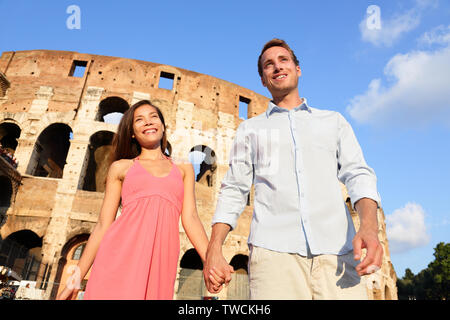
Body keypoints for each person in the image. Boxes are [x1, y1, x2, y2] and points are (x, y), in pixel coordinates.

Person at [203, 39, 383, 299]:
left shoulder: (333, 121)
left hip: (337, 254)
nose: (277, 67)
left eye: (283, 60)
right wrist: (214, 247)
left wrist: (369, 226)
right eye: (268, 65)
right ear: (263, 80)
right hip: (274, 256)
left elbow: (358, 174)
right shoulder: (250, 129)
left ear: (298, 69)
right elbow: (234, 189)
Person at [56, 100, 224, 300]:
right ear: (132, 133)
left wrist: (211, 261)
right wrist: (75, 279)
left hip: (161, 260)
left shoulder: (183, 168)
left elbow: (191, 218)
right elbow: (103, 225)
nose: (148, 122)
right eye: (139, 120)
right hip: (118, 255)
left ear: (162, 126)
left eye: (153, 116)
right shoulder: (120, 167)